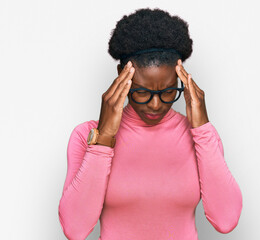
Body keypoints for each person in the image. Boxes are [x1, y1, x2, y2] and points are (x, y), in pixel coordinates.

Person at [58, 7, 242, 240]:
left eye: (167, 92)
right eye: (143, 92)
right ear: (121, 75)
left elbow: (226, 221)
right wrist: (104, 138)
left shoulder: (200, 137)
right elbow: (75, 230)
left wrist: (203, 129)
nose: (156, 105)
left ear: (180, 79)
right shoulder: (86, 135)